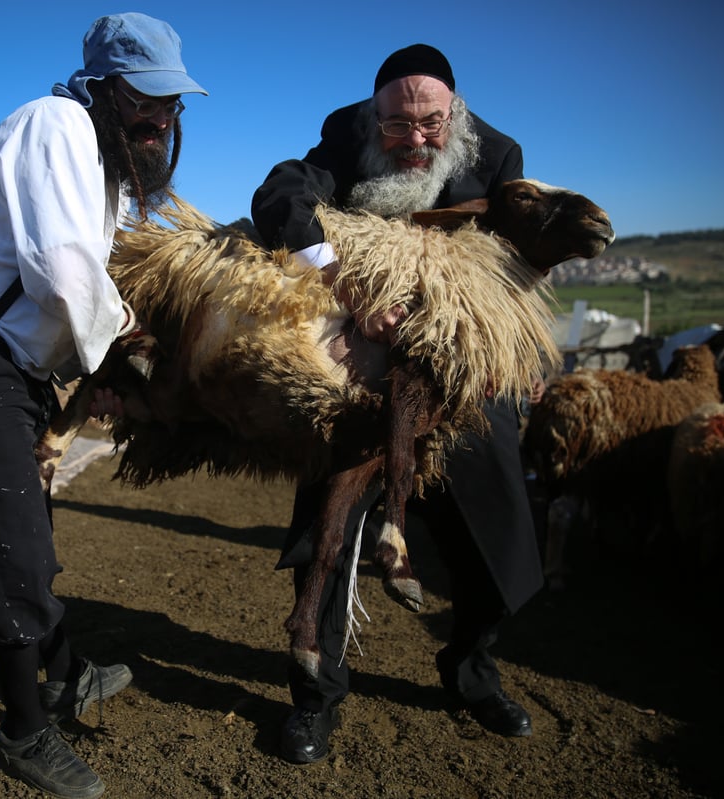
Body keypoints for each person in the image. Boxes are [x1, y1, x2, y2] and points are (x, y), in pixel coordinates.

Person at [0, 13, 206, 798]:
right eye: (146, 100)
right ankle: (23, 731)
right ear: (101, 89)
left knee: (27, 522)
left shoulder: (104, 175)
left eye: (172, 103)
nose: (161, 118)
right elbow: (64, 272)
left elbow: (78, 291)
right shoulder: (55, 122)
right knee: (6, 533)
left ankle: (64, 673)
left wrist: (103, 356)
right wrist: (130, 347)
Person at [250, 43, 541, 764]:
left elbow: (521, 262)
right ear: (372, 115)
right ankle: (316, 695)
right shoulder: (346, 136)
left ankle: (470, 669)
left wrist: (516, 346)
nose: (415, 141)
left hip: (462, 379)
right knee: (330, 530)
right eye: (397, 126)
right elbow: (279, 195)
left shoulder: (499, 156)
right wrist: (345, 281)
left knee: (497, 538)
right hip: (365, 377)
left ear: (457, 113)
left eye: (430, 124)